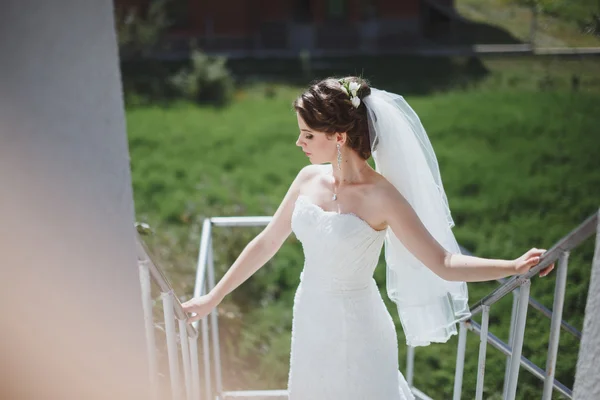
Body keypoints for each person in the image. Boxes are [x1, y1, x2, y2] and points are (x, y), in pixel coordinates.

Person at [182, 77, 555, 399]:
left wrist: (512, 265)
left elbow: (443, 262)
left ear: (339, 136)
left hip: (359, 327)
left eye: (308, 134)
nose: (299, 142)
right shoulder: (307, 180)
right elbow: (266, 242)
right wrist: (213, 298)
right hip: (310, 317)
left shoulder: (383, 197)